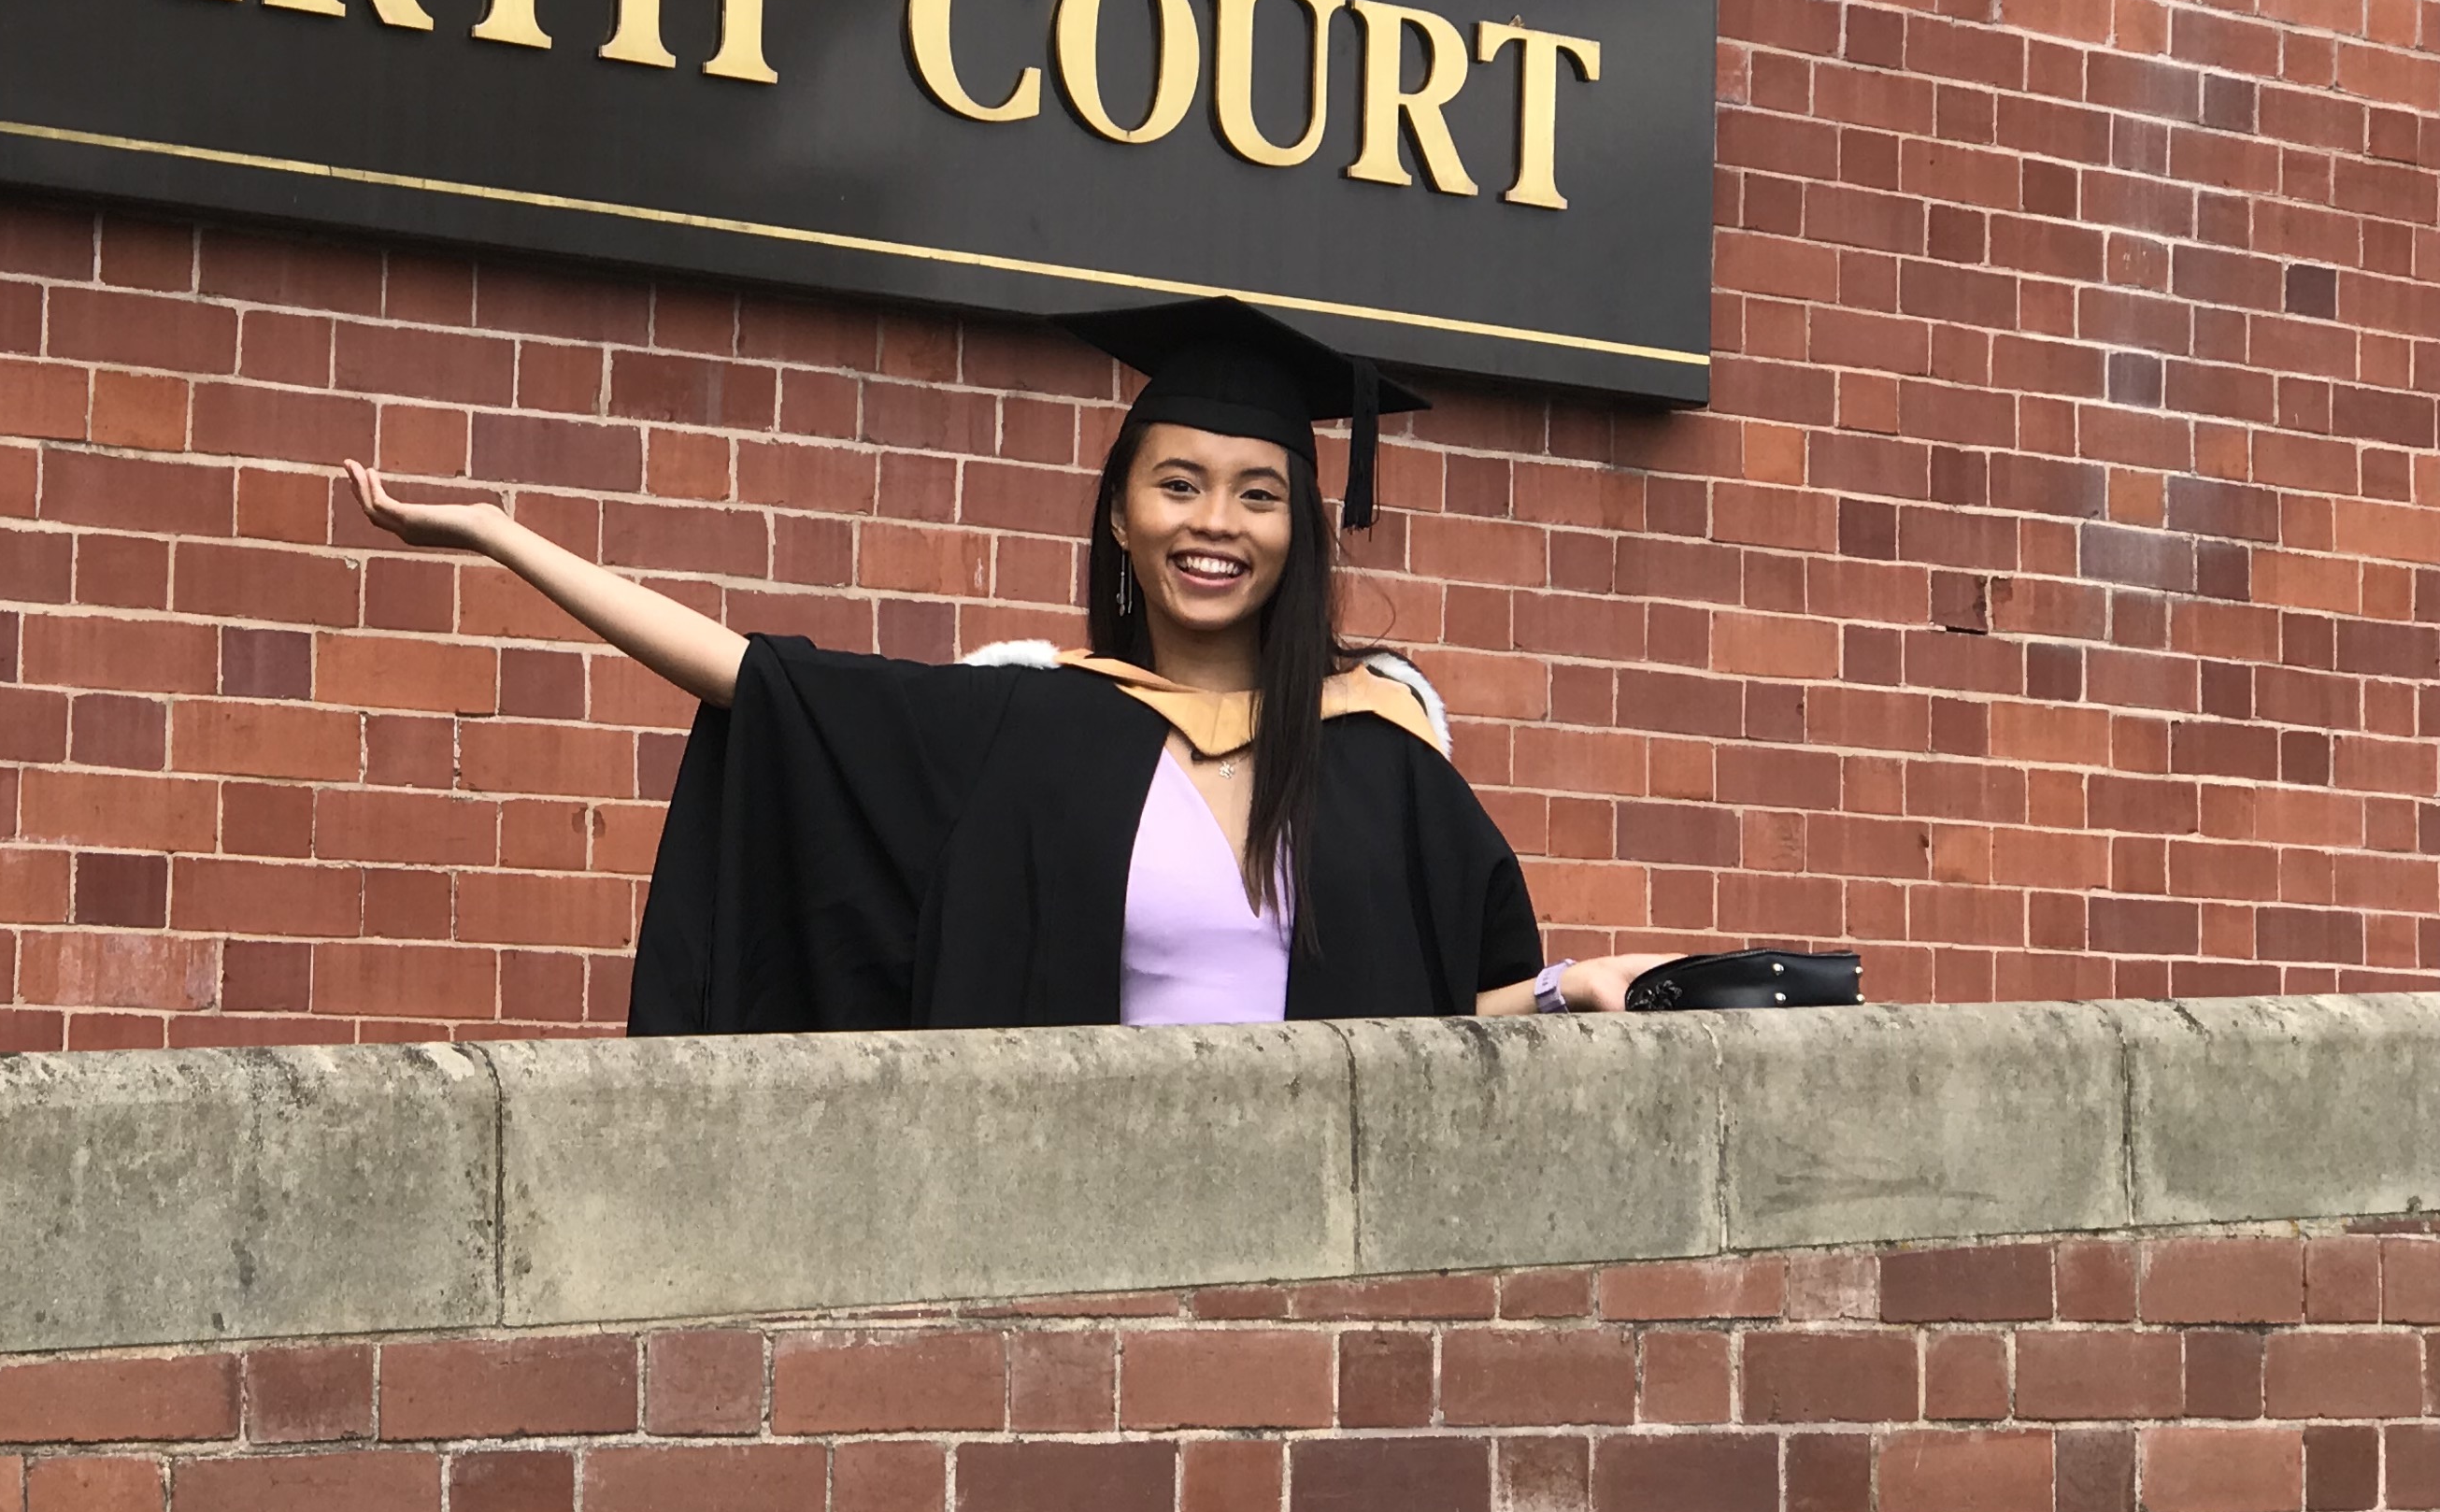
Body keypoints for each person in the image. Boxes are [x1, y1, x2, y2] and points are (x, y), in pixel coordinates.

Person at [344, 295, 1664, 1032]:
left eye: (1259, 495)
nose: (1215, 523)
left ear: (1299, 533)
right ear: (1120, 515)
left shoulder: (1380, 751)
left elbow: (1448, 1009)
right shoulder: (1035, 723)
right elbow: (762, 682)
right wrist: (507, 538)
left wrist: (1569, 991)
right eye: (1179, 485)